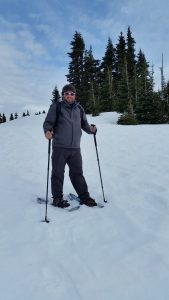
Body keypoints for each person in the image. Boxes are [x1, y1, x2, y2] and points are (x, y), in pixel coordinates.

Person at [43, 84, 97, 208]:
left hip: (75, 148)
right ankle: (57, 198)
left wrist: (91, 129)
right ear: (63, 95)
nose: (69, 95)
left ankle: (84, 197)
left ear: (75, 95)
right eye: (66, 93)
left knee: (77, 173)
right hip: (59, 147)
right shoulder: (56, 107)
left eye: (71, 93)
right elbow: (48, 122)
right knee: (57, 173)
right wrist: (47, 131)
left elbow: (84, 124)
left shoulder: (79, 109)